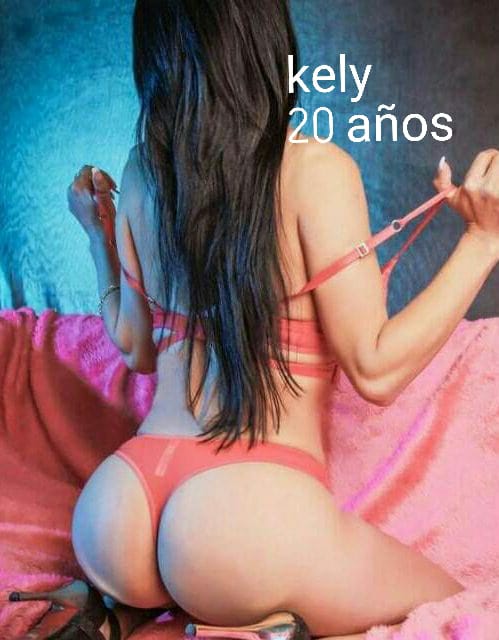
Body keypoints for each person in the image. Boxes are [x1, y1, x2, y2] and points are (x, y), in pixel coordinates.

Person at [8, 1, 499, 638]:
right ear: (267, 42)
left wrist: (97, 236)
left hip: (120, 508)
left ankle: (119, 609)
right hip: (240, 521)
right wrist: (482, 241)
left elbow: (134, 349)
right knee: (460, 603)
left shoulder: (143, 171)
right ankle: (245, 621)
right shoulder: (316, 169)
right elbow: (376, 370)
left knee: (191, 574)